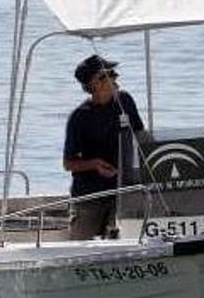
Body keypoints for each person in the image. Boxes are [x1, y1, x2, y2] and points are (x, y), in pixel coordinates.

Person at [63, 54, 148, 240]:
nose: (115, 77)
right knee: (80, 248)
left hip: (122, 191)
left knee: (123, 242)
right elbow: (68, 163)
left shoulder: (125, 101)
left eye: (113, 73)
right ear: (95, 84)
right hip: (88, 195)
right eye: (108, 74)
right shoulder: (79, 117)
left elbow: (141, 136)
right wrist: (94, 164)